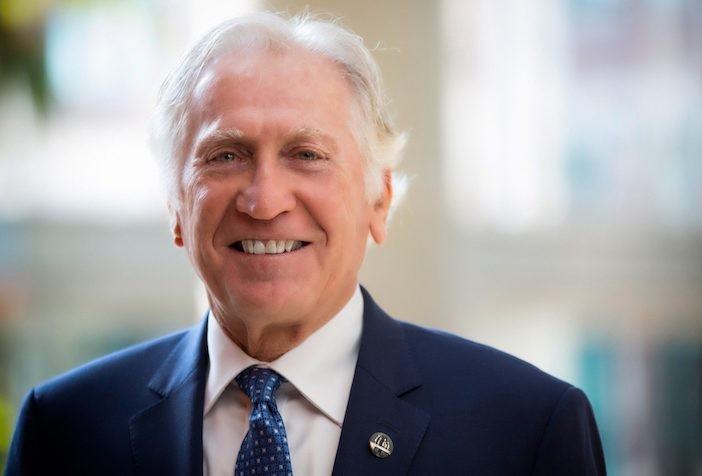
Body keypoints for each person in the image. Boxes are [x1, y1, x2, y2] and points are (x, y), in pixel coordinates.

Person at [6, 11, 604, 475]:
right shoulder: (64, 429)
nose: (264, 201)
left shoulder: (526, 430)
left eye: (307, 155)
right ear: (176, 210)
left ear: (380, 200)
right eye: (226, 156)